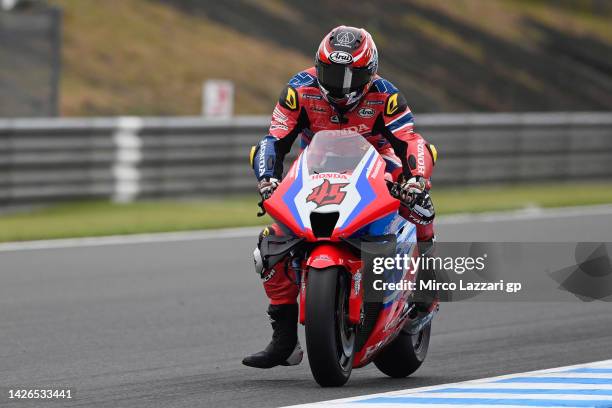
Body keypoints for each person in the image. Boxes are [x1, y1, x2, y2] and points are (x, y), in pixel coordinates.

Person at [243, 26, 437, 369]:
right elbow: (273, 140)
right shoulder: (299, 90)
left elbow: (411, 141)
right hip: (315, 172)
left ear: (370, 72)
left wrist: (417, 179)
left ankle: (428, 274)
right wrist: (268, 180)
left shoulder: (386, 95)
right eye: (332, 73)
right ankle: (284, 340)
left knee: (419, 202)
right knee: (270, 247)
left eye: (352, 76)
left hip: (376, 170)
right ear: (318, 66)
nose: (341, 86)